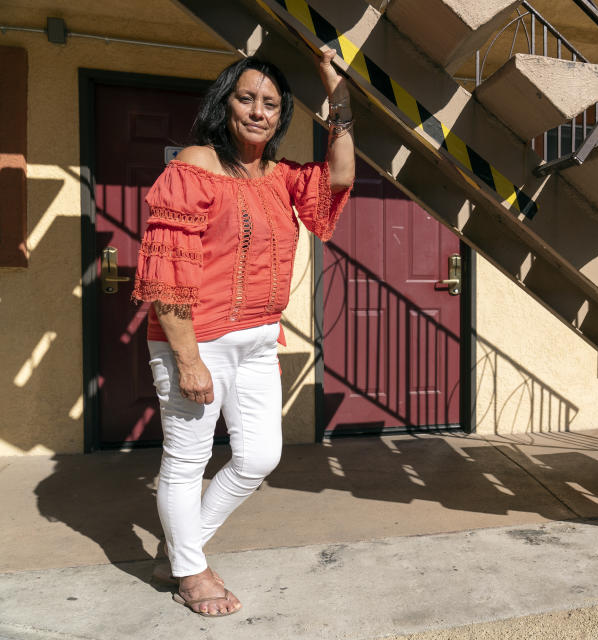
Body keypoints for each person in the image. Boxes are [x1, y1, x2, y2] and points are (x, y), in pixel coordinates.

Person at [131, 51, 354, 617]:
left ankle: (182, 550)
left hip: (257, 341)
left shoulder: (280, 178)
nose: (259, 111)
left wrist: (339, 97)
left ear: (282, 117)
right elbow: (165, 272)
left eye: (272, 104)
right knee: (186, 460)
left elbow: (342, 177)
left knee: (259, 456)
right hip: (195, 340)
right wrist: (186, 360)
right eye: (247, 98)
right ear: (224, 102)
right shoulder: (196, 164)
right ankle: (190, 571)